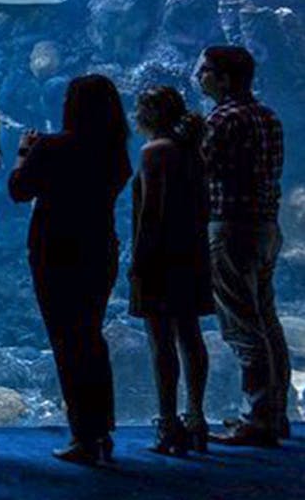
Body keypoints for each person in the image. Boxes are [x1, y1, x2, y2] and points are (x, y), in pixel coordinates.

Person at [8, 74, 131, 465]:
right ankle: (101, 429)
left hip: (56, 253)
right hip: (100, 250)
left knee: (68, 342)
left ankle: (84, 435)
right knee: (91, 338)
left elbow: (18, 190)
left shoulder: (52, 146)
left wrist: (24, 152)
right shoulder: (116, 152)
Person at [194, 46, 288, 447]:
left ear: (224, 79)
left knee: (242, 326)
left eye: (205, 71)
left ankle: (258, 419)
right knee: (266, 320)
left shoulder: (221, 119)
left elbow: (201, 169)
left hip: (231, 228)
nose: (199, 76)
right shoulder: (268, 116)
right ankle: (276, 412)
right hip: (266, 226)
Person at [127, 86, 212, 456]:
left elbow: (151, 213)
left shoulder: (155, 151)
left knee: (161, 340)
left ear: (147, 115)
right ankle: (196, 417)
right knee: (191, 335)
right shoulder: (193, 150)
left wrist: (139, 261)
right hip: (192, 252)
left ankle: (167, 423)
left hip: (161, 258)